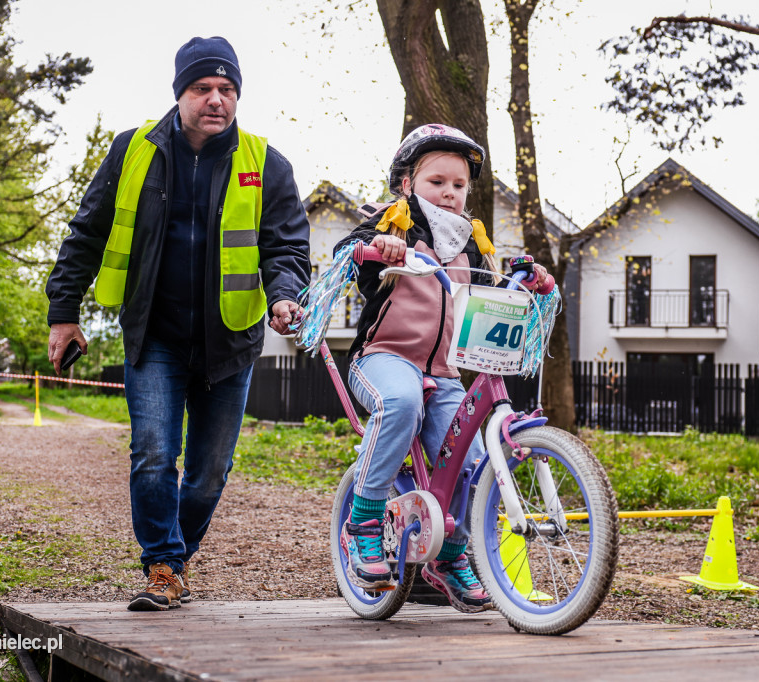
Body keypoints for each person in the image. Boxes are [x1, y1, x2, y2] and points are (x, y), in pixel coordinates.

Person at [45, 36, 310, 612]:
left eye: (227, 89)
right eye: (203, 88)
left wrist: (287, 297)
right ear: (180, 93)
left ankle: (177, 556)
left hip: (231, 342)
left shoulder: (267, 164)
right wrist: (63, 313)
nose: (216, 99)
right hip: (156, 335)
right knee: (153, 452)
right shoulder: (132, 150)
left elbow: (286, 248)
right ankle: (162, 564)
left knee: (211, 470)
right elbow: (86, 231)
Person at [334, 124, 549, 613]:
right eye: (437, 182)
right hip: (384, 357)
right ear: (407, 182)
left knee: (475, 460)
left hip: (447, 373)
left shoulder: (471, 240)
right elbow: (344, 253)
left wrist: (527, 279)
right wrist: (378, 248)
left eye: (459, 184)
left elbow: (489, 289)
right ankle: (364, 521)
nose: (450, 193)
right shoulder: (390, 220)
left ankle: (450, 555)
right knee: (401, 401)